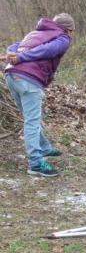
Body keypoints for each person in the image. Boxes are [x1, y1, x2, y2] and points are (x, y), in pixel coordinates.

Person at [4, 13, 75, 177]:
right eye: (71, 31)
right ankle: (35, 163)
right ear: (68, 29)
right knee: (32, 121)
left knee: (30, 118)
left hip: (11, 76)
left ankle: (44, 147)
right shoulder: (63, 38)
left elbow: (14, 47)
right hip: (29, 79)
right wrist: (22, 57)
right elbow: (47, 50)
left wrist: (16, 55)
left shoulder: (33, 34)